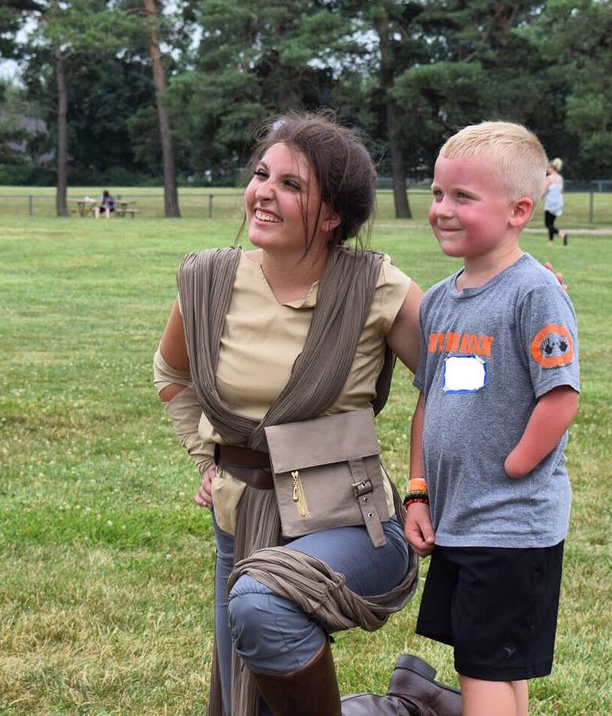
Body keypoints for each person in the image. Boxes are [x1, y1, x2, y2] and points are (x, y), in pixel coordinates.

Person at [154, 113, 457, 716]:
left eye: (292, 185)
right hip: (237, 525)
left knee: (263, 605)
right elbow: (172, 376)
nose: (264, 192)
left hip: (351, 525)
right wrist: (203, 458)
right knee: (249, 702)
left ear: (334, 214)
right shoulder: (208, 280)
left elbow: (459, 379)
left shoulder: (375, 288)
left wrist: (513, 295)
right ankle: (409, 708)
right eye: (262, 174)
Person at [405, 122, 580, 716]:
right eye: (437, 194)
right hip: (458, 518)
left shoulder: (534, 293)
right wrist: (419, 492)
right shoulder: (436, 300)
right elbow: (428, 402)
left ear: (519, 210)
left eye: (463, 198)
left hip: (510, 523)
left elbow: (560, 397)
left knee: (482, 667)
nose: (442, 210)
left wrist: (514, 465)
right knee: (496, 663)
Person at [542, 158, 567, 246]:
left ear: (553, 168)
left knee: (547, 224)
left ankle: (561, 233)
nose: (548, 169)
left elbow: (544, 191)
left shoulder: (549, 178)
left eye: (549, 168)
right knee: (551, 223)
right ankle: (550, 242)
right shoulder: (560, 178)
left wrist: (539, 198)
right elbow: (562, 191)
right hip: (558, 203)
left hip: (550, 203)